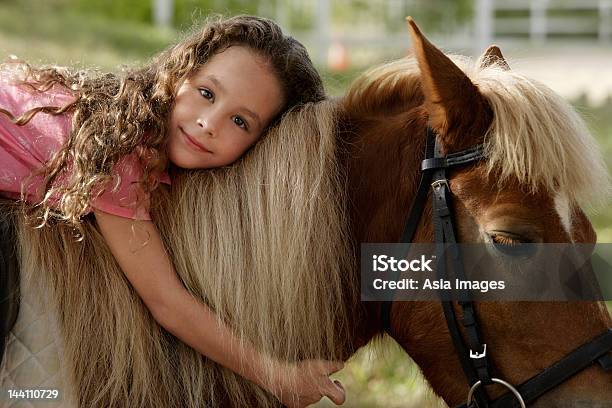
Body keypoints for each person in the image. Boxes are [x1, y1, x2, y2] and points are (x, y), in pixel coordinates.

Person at [0, 15, 345, 408]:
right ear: (179, 74)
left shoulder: (132, 127)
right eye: (207, 93)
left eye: (239, 121)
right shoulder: (123, 150)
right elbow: (167, 303)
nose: (208, 123)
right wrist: (276, 375)